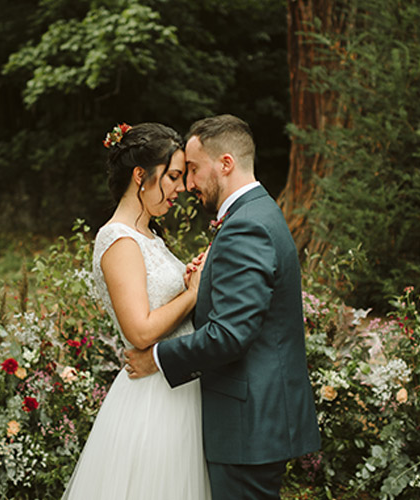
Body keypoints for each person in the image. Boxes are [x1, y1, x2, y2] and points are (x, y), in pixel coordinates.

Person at [126, 114, 321, 499]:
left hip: (248, 426)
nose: (188, 183)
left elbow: (230, 336)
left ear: (226, 164)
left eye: (194, 170)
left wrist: (158, 358)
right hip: (256, 422)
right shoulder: (256, 214)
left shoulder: (246, 226)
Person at [62, 122, 211, 500]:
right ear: (140, 176)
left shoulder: (149, 236)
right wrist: (192, 294)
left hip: (177, 387)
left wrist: (192, 276)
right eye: (173, 176)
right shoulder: (119, 240)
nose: (181, 188)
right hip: (153, 402)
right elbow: (140, 331)